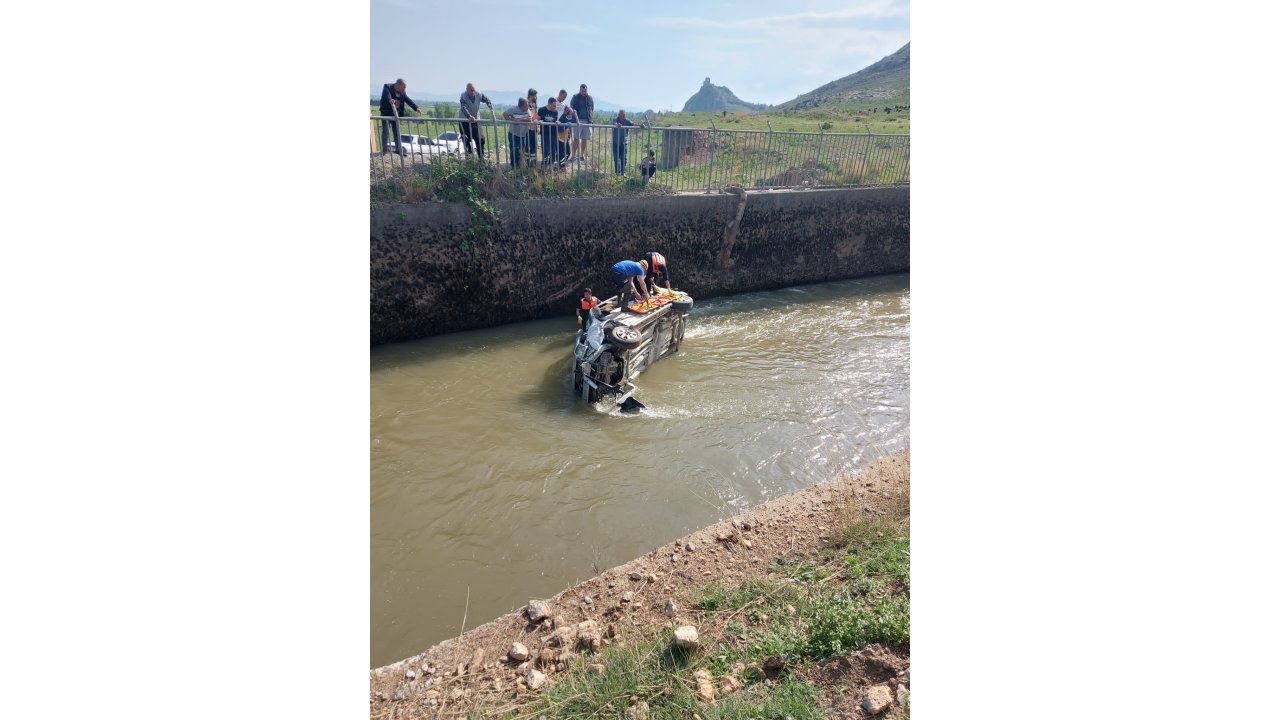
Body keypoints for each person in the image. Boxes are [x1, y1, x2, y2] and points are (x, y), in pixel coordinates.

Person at [379, 79, 420, 155]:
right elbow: (387, 96)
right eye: (404, 87)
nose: (405, 89)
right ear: (398, 85)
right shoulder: (387, 87)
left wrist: (415, 108)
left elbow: (407, 99)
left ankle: (398, 150)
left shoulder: (403, 92)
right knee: (385, 131)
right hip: (386, 113)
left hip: (396, 114)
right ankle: (384, 149)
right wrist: (390, 100)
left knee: (397, 132)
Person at [457, 83, 493, 157]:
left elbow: (486, 99)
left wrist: (489, 104)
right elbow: (463, 107)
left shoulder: (479, 94)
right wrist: (469, 116)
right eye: (471, 90)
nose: (473, 92)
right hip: (464, 120)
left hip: (476, 120)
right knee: (466, 139)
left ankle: (481, 157)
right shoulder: (463, 96)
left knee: (480, 138)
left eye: (474, 90)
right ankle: (469, 157)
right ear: (467, 90)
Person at [502, 98, 532, 168]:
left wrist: (519, 120)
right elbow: (504, 114)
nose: (528, 107)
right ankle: (514, 167)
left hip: (523, 135)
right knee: (514, 151)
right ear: (521, 106)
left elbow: (530, 119)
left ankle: (520, 167)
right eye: (526, 105)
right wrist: (511, 119)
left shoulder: (528, 110)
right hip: (513, 134)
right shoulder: (513, 109)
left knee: (522, 151)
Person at [569, 83, 594, 164]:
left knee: (584, 138)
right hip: (577, 120)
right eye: (583, 91)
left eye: (585, 91)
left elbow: (592, 109)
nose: (584, 92)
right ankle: (573, 155)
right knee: (576, 138)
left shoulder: (590, 98)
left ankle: (582, 155)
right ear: (580, 90)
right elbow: (571, 107)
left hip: (587, 121)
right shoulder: (575, 97)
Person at [537, 98, 562, 167]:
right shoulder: (541, 110)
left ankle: (551, 166)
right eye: (554, 105)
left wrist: (557, 122)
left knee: (553, 151)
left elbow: (555, 120)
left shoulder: (555, 112)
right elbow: (537, 118)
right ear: (549, 104)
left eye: (555, 105)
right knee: (544, 150)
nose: (555, 107)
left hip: (553, 134)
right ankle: (543, 166)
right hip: (544, 133)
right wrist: (538, 122)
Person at [611, 109, 635, 176]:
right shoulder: (615, 119)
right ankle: (617, 172)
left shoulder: (627, 121)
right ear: (618, 115)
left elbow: (633, 124)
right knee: (616, 158)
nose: (621, 116)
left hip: (624, 143)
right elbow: (614, 123)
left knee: (624, 158)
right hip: (616, 143)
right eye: (620, 115)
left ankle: (623, 172)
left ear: (625, 115)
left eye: (623, 115)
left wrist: (640, 125)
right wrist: (617, 124)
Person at [525, 89, 540, 166]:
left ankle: (533, 164)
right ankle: (527, 163)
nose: (536, 97)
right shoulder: (526, 104)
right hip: (527, 129)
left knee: (533, 147)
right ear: (531, 96)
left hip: (534, 129)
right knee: (527, 147)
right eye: (535, 96)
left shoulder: (535, 105)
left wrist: (538, 126)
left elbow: (536, 116)